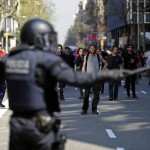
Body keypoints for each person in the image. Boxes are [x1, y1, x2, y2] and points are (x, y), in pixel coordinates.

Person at [0, 18, 144, 150]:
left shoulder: (9, 60)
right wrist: (109, 74)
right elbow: (77, 79)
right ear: (39, 38)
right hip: (40, 124)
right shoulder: (46, 59)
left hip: (17, 124)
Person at [81, 44, 108, 114]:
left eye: (94, 48)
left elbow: (106, 63)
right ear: (89, 49)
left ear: (95, 49)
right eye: (91, 48)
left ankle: (94, 109)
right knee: (86, 95)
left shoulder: (99, 56)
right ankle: (84, 109)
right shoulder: (86, 56)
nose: (92, 49)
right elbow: (84, 66)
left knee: (96, 95)